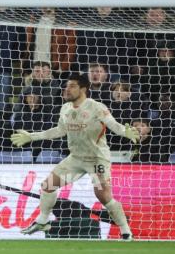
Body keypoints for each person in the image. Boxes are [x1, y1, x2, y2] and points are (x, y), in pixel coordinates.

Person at [11, 73, 140, 240]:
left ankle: (125, 230)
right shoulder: (65, 108)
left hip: (96, 158)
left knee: (103, 196)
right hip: (76, 158)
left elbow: (113, 125)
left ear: (83, 89)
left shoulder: (96, 107)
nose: (67, 89)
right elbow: (59, 131)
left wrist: (126, 132)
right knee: (48, 185)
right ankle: (42, 221)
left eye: (72, 86)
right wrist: (32, 136)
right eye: (66, 86)